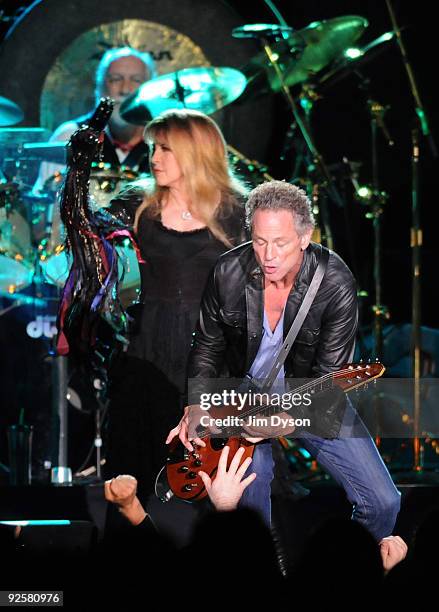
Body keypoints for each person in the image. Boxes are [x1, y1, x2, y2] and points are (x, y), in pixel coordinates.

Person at [167, 179, 402, 544]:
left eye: (281, 242)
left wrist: (285, 423)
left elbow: (331, 386)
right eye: (260, 241)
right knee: (249, 497)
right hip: (240, 398)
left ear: (305, 237)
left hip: (310, 396)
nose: (268, 255)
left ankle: (344, 580)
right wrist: (197, 405)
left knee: (383, 502)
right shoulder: (228, 272)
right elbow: (207, 347)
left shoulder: (335, 283)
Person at [104, 108, 248, 508]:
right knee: (143, 463)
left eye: (166, 148)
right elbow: (87, 241)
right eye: (153, 147)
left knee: (208, 475)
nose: (154, 158)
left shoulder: (240, 212)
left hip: (213, 352)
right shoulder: (135, 204)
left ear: (196, 152)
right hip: (147, 348)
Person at [33, 46, 156, 194]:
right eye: (116, 79)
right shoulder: (69, 136)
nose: (125, 89)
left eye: (136, 80)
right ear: (100, 87)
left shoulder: (163, 142)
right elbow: (44, 204)